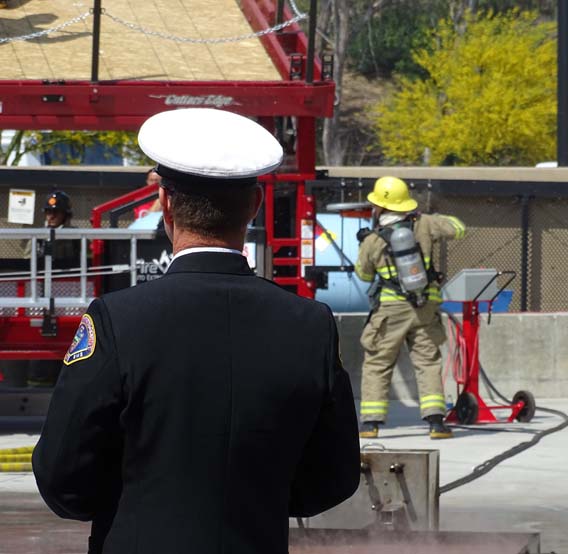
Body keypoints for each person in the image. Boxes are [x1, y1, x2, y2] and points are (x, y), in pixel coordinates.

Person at [33, 108, 360, 554]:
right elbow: (335, 476)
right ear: (255, 206)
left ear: (164, 203)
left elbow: (63, 477)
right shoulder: (310, 326)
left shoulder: (117, 319)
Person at [355, 176, 466, 440]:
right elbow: (458, 228)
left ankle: (370, 424)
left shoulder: (373, 240)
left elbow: (364, 275)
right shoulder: (424, 224)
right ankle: (436, 423)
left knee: (378, 363)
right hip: (424, 307)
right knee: (427, 363)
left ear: (380, 207)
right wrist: (427, 217)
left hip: (389, 312)